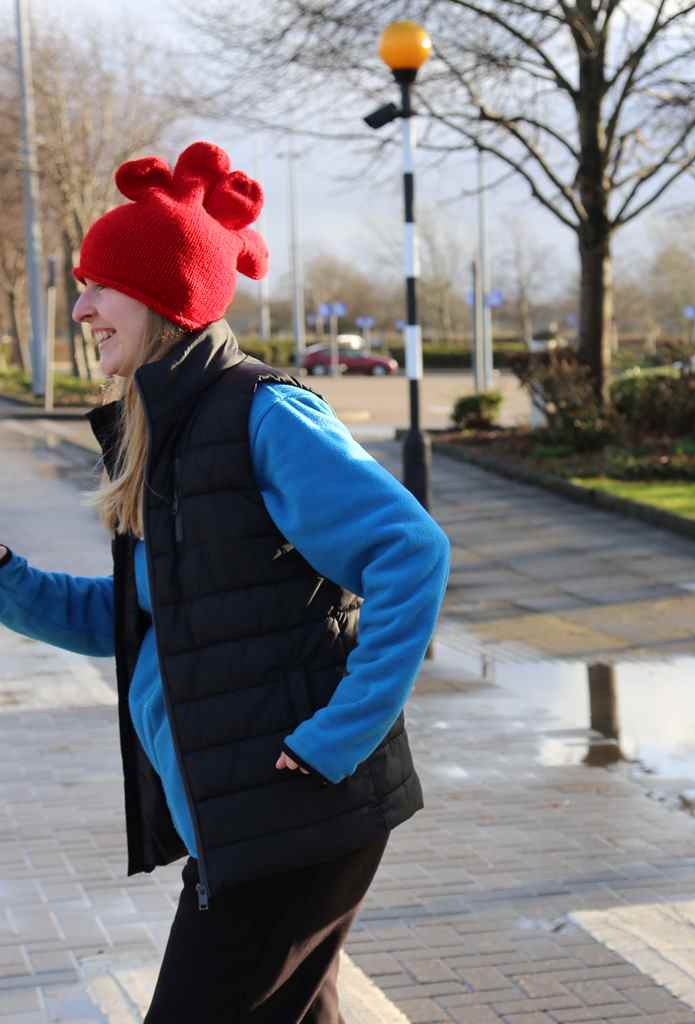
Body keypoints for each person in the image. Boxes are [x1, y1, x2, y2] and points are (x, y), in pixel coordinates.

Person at [0, 141, 450, 1022]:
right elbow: (132, 619)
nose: (82, 306)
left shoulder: (262, 414)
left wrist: (338, 737)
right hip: (243, 819)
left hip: (294, 813)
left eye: (100, 285)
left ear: (163, 296)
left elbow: (413, 552)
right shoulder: (164, 432)